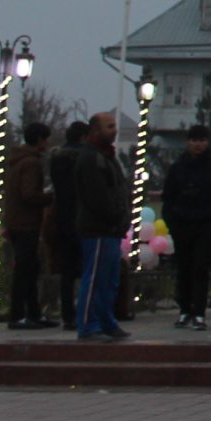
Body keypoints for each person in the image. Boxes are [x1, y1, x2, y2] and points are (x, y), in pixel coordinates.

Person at [71, 113, 131, 341]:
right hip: (97, 228)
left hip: (110, 229)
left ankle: (106, 321)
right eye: (109, 126)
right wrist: (115, 216)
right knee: (95, 279)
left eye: (114, 126)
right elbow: (97, 198)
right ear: (95, 131)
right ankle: (88, 325)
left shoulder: (107, 157)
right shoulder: (91, 159)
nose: (114, 130)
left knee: (109, 280)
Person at [159, 126, 211, 330]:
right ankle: (185, 310)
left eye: (202, 140)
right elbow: (168, 197)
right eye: (194, 140)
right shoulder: (177, 168)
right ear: (188, 142)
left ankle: (199, 313)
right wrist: (171, 221)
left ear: (207, 142)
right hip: (182, 224)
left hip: (206, 224)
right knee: (184, 268)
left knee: (201, 268)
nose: (198, 144)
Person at [4, 122, 54, 329]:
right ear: (40, 140)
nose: (48, 143)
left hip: (16, 222)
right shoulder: (31, 163)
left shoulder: (17, 161)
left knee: (29, 268)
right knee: (26, 270)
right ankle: (19, 315)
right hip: (26, 223)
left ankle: (33, 313)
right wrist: (49, 198)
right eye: (46, 139)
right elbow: (29, 194)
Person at [45, 121, 89, 323]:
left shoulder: (56, 160)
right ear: (84, 137)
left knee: (67, 270)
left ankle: (67, 313)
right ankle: (84, 310)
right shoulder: (86, 158)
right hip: (84, 217)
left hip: (62, 217)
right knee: (87, 267)